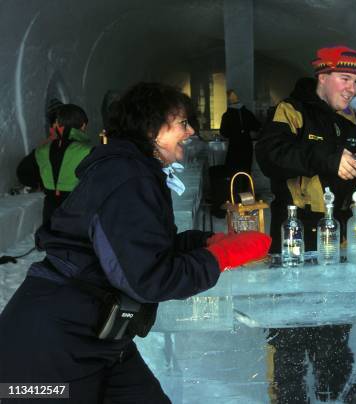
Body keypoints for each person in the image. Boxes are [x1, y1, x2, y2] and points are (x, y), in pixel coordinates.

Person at [0, 82, 271, 402]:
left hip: (100, 338)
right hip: (51, 348)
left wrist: (205, 241)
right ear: (151, 128)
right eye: (182, 123)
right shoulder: (128, 175)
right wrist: (219, 256)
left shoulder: (132, 170)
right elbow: (148, 278)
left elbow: (136, 247)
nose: (190, 132)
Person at [256, 45, 356, 403]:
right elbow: (271, 156)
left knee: (335, 320)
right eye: (344, 79)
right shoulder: (291, 111)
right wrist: (326, 157)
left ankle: (334, 389)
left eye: (355, 81)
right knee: (290, 324)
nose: (351, 88)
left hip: (337, 233)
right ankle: (290, 396)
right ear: (321, 77)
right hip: (295, 230)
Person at [16, 103, 92, 224]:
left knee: (52, 240)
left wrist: (41, 183)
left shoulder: (42, 150)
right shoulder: (89, 150)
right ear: (83, 126)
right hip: (80, 210)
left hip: (51, 210)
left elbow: (23, 173)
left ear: (59, 124)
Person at [220, 89, 261, 175]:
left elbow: (224, 133)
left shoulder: (227, 115)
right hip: (247, 146)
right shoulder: (248, 113)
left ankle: (234, 188)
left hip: (234, 146)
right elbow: (257, 127)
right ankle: (245, 187)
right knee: (246, 170)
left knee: (233, 171)